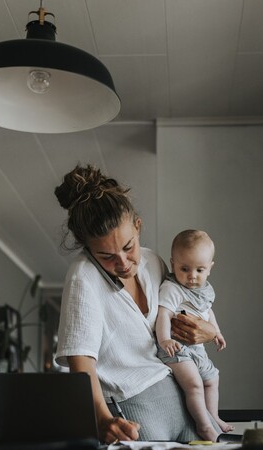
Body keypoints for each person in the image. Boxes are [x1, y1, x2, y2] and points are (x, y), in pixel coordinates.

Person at [53, 164, 220, 443]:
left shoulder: (153, 262)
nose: (122, 262)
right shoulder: (83, 276)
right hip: (136, 410)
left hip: (184, 404)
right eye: (106, 256)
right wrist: (103, 419)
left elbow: (183, 313)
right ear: (87, 248)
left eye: (128, 247)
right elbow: (80, 361)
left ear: (138, 226)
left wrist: (208, 331)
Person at [155, 230, 232, 441]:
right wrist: (164, 340)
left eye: (200, 269)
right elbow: (163, 314)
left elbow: (208, 312)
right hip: (176, 349)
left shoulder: (206, 290)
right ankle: (204, 425)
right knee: (194, 384)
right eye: (184, 268)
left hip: (197, 350)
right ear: (173, 264)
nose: (192, 276)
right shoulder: (172, 288)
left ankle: (214, 416)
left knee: (212, 380)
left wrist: (216, 332)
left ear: (210, 268)